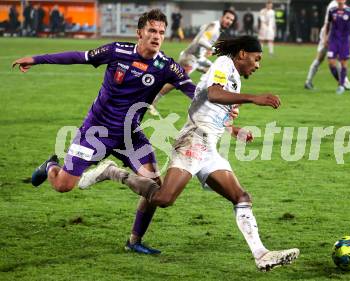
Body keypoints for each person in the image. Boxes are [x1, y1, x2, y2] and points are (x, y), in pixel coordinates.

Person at [79, 36, 300, 271]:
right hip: (193, 141)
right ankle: (112, 172)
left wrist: (233, 129)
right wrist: (254, 99)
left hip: (209, 147)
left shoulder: (234, 77)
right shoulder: (224, 64)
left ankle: (261, 255)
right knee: (164, 199)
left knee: (241, 197)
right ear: (242, 54)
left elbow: (210, 107)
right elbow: (214, 94)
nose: (258, 65)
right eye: (256, 59)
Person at [12, 9, 197, 254]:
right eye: (152, 30)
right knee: (64, 186)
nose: (157, 36)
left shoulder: (166, 67)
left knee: (155, 189)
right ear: (139, 32)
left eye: (161, 32)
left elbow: (194, 92)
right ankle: (50, 167)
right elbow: (78, 56)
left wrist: (226, 111)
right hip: (95, 132)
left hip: (130, 136)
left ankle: (134, 240)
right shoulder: (117, 52)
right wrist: (37, 59)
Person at [147, 9, 236, 116]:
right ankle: (151, 101)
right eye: (227, 18)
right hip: (190, 58)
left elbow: (203, 32)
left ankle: (210, 103)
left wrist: (207, 50)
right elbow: (201, 41)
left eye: (231, 20)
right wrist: (213, 49)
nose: (229, 21)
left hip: (198, 59)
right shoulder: (214, 26)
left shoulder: (215, 27)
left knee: (215, 73)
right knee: (175, 82)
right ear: (222, 17)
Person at [304, 0, 350, 90]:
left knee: (321, 58)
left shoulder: (339, 5)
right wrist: (327, 37)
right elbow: (330, 23)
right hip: (331, 35)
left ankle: (308, 81)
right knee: (334, 59)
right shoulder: (334, 5)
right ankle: (345, 83)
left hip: (332, 34)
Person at [324, 0, 350, 94]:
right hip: (333, 40)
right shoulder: (332, 10)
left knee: (343, 63)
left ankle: (341, 85)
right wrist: (325, 37)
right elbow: (328, 24)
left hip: (344, 41)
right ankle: (341, 82)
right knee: (331, 62)